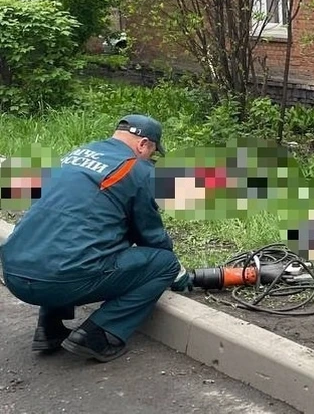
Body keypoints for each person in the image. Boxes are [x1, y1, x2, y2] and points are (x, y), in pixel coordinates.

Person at [0, 114, 187, 362]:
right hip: (61, 281)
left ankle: (49, 328)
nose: (150, 159)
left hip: (14, 274)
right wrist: (180, 273)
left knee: (69, 241)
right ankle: (99, 335)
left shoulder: (75, 155)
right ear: (143, 144)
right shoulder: (136, 168)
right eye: (152, 152)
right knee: (164, 264)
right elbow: (150, 237)